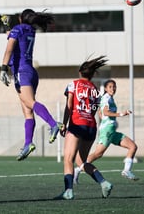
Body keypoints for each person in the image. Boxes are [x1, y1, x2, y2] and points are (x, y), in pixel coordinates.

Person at [0, 9, 62, 161]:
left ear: (21, 18)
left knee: (29, 103)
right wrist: (7, 26)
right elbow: (13, 38)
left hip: (22, 72)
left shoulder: (18, 29)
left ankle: (53, 124)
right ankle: (28, 143)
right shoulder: (30, 30)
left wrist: (3, 68)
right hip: (30, 72)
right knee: (27, 111)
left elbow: (9, 49)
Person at [57, 55, 112, 200]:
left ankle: (68, 191)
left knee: (68, 159)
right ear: (93, 74)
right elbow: (94, 110)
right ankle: (103, 182)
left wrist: (64, 123)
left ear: (80, 72)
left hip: (76, 124)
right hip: (90, 126)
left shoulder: (73, 85)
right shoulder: (95, 90)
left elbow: (69, 106)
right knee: (81, 162)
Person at [73, 79, 138, 182]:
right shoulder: (107, 98)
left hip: (111, 130)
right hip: (107, 130)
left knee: (132, 146)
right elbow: (106, 112)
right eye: (110, 87)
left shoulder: (108, 98)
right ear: (106, 89)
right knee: (98, 154)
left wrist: (103, 117)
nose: (113, 88)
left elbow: (100, 111)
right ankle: (77, 169)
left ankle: (126, 171)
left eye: (114, 86)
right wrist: (121, 114)